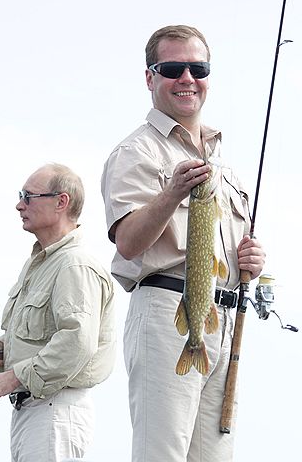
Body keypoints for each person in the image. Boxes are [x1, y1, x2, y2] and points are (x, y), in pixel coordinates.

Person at [101, 25, 266, 462]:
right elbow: (129, 244)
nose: (187, 78)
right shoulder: (136, 153)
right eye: (173, 68)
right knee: (163, 455)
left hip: (222, 317)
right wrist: (171, 194)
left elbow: (224, 246)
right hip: (164, 313)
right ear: (150, 77)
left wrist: (249, 261)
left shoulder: (220, 157)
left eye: (198, 67)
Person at [0, 163, 116, 462]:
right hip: (36, 412)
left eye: (28, 196)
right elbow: (38, 334)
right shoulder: (43, 264)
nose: (19, 204)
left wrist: (10, 378)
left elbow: (77, 343)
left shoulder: (74, 265)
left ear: (61, 202)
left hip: (55, 412)